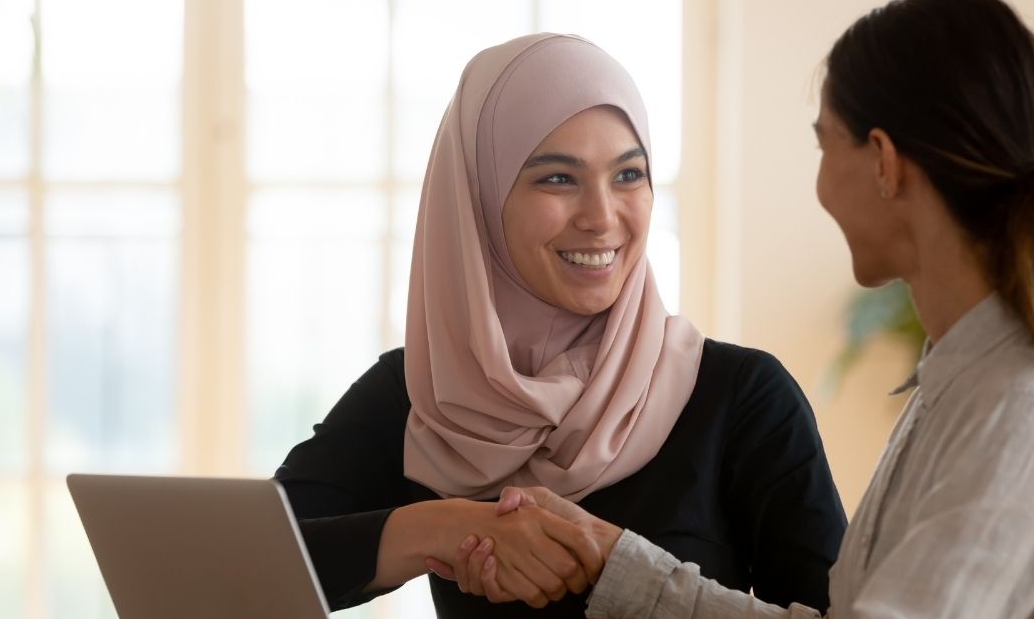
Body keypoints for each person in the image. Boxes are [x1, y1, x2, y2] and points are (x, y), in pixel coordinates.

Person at [438, 0, 1034, 617]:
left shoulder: (1018, 405)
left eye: (825, 145)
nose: (819, 185)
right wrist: (615, 560)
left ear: (882, 163)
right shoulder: (959, 380)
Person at [273, 33, 847, 618]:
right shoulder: (427, 392)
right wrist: (440, 528)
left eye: (628, 175)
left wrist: (629, 573)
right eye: (557, 179)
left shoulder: (740, 396)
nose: (602, 218)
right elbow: (244, 559)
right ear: (479, 200)